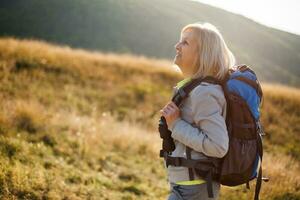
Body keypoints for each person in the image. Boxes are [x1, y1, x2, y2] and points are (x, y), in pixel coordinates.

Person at [159, 22, 236, 200]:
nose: (177, 46)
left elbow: (218, 146)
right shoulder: (193, 88)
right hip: (188, 186)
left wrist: (175, 124)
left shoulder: (204, 92)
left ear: (202, 54)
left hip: (196, 189)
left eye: (185, 43)